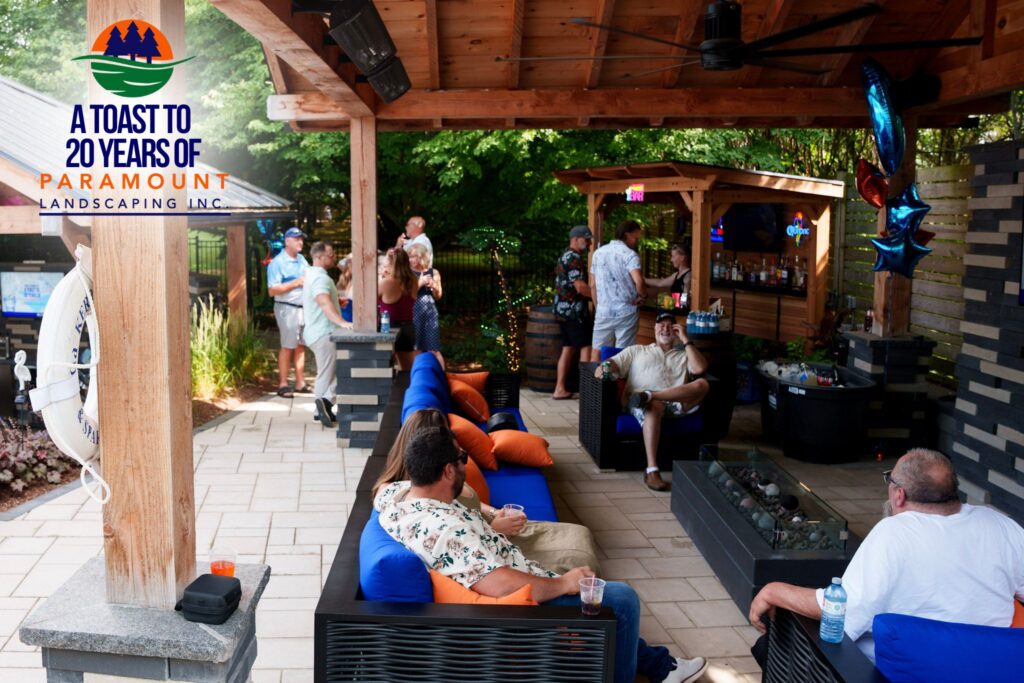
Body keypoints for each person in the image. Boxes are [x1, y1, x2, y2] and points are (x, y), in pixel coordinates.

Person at [374, 426, 708, 683]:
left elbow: (382, 493)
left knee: (601, 595)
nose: (466, 462)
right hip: (516, 611)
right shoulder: (443, 529)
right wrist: (564, 583)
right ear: (448, 471)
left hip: (513, 570)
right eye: (463, 458)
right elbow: (499, 585)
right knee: (620, 598)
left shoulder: (397, 494)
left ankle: (660, 666)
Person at [748, 448, 1024, 665]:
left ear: (899, 495)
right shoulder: (999, 524)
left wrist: (774, 591)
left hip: (894, 670)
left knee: (771, 644)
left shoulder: (895, 532)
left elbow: (843, 612)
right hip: (991, 668)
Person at [373, 408, 601, 573]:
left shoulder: (420, 487)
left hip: (490, 531)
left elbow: (462, 508)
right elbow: (469, 552)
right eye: (459, 455)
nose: (462, 456)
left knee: (580, 533)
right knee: (581, 558)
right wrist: (494, 528)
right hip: (492, 543)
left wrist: (493, 512)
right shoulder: (417, 491)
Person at [595, 313, 709, 492]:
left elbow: (700, 369)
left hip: (676, 404)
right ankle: (652, 470)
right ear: (654, 330)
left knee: (703, 383)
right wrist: (606, 367)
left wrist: (686, 340)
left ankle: (651, 394)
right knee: (654, 405)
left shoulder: (683, 355)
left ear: (676, 331)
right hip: (642, 404)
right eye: (661, 325)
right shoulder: (637, 350)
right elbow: (610, 364)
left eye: (670, 326)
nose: (665, 328)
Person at [303, 241, 347, 428]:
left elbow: (326, 301)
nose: (334, 257)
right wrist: (342, 322)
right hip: (325, 332)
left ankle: (321, 410)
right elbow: (323, 301)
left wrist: (337, 301)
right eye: (331, 255)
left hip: (316, 331)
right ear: (319, 257)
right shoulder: (320, 278)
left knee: (326, 374)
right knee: (338, 371)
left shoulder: (312, 275)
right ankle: (325, 402)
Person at [590, 219, 646, 361]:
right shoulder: (630, 255)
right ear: (627, 235)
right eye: (635, 237)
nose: (636, 241)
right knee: (623, 353)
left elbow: (592, 285)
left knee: (597, 350)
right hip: (626, 311)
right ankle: (618, 383)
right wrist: (642, 296)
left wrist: (599, 307)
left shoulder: (598, 253)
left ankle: (591, 382)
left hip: (603, 312)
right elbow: (639, 280)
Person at [267, 227, 310, 398]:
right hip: (287, 309)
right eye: (297, 239)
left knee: (300, 346)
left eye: (302, 239)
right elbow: (272, 290)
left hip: (303, 308)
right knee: (287, 346)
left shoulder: (302, 259)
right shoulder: (277, 263)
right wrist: (297, 282)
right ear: (287, 241)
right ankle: (283, 384)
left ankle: (300, 382)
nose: (301, 242)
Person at [552, 225, 594, 400]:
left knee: (568, 348)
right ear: (576, 239)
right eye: (587, 239)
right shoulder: (574, 258)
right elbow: (580, 287)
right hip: (574, 312)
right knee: (586, 346)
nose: (590, 243)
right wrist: (600, 298)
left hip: (562, 310)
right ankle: (586, 391)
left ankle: (559, 389)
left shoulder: (565, 254)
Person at [379, 248, 419, 371]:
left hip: (389, 328)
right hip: (409, 327)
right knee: (407, 369)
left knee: (384, 369)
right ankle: (408, 390)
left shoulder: (386, 283)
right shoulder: (413, 280)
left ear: (391, 264)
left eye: (386, 263)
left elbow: (370, 301)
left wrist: (382, 278)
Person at [408, 242, 443, 364]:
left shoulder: (434, 272)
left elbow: (438, 296)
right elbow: (407, 294)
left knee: (433, 349)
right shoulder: (408, 272)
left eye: (414, 256)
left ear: (422, 256)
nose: (411, 260)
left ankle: (441, 377)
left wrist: (434, 286)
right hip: (413, 311)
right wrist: (420, 283)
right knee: (416, 348)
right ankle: (415, 378)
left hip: (430, 312)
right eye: (409, 257)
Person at [645, 242, 691, 309]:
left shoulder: (688, 276)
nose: (671, 260)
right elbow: (660, 283)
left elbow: (684, 302)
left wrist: (664, 301)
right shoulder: (677, 274)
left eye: (673, 256)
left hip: (681, 316)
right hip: (675, 312)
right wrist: (642, 279)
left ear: (682, 258)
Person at [336, 254, 353, 326]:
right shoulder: (343, 280)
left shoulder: (355, 281)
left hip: (349, 319)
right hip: (345, 318)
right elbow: (339, 264)